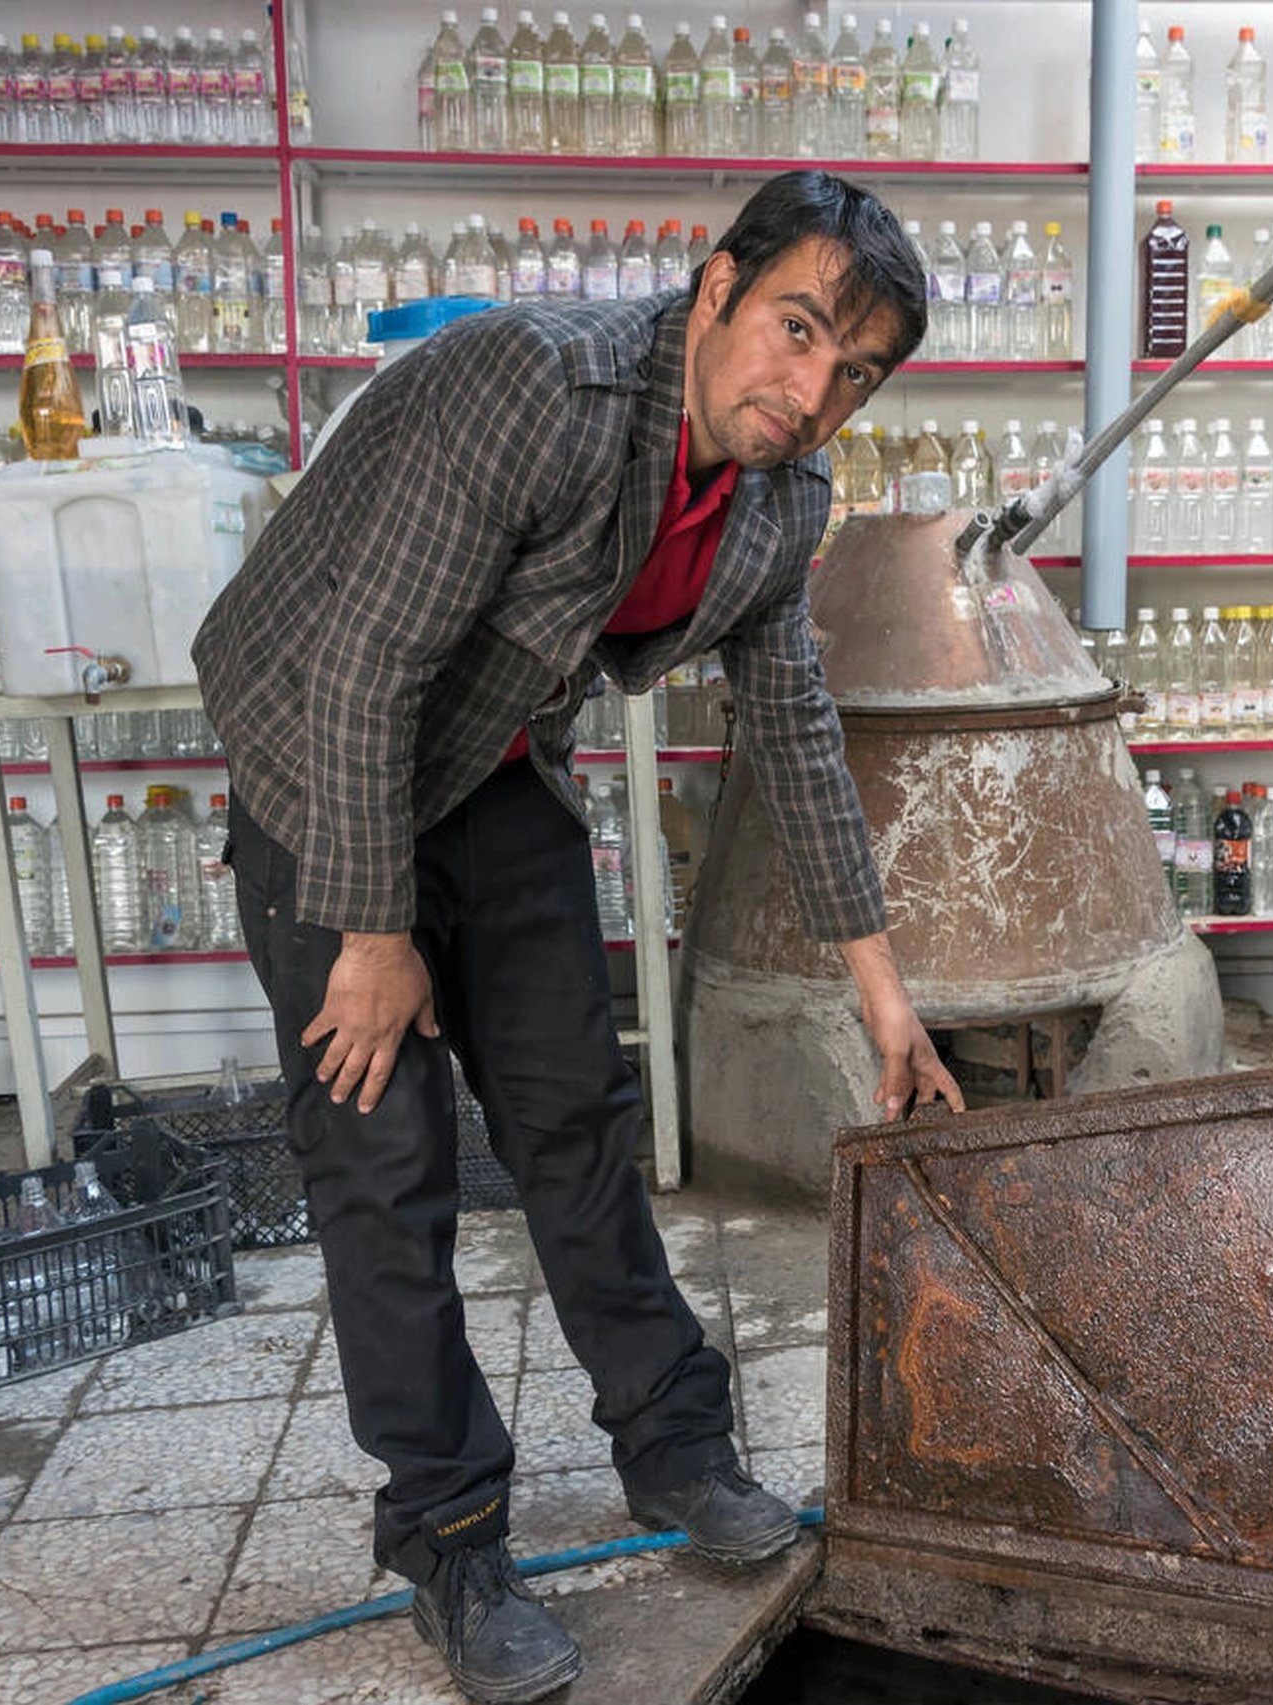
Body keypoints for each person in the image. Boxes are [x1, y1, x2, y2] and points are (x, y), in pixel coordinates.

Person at [191, 170, 964, 1705]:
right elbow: (359, 665)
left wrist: (887, 995)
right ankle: (449, 1531)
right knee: (386, 1161)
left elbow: (794, 731)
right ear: (715, 289)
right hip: (317, 755)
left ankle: (674, 1442)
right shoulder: (535, 386)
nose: (810, 391)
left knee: (577, 1121)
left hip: (486, 761)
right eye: (796, 329)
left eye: (854, 371)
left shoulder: (777, 500)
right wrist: (372, 927)